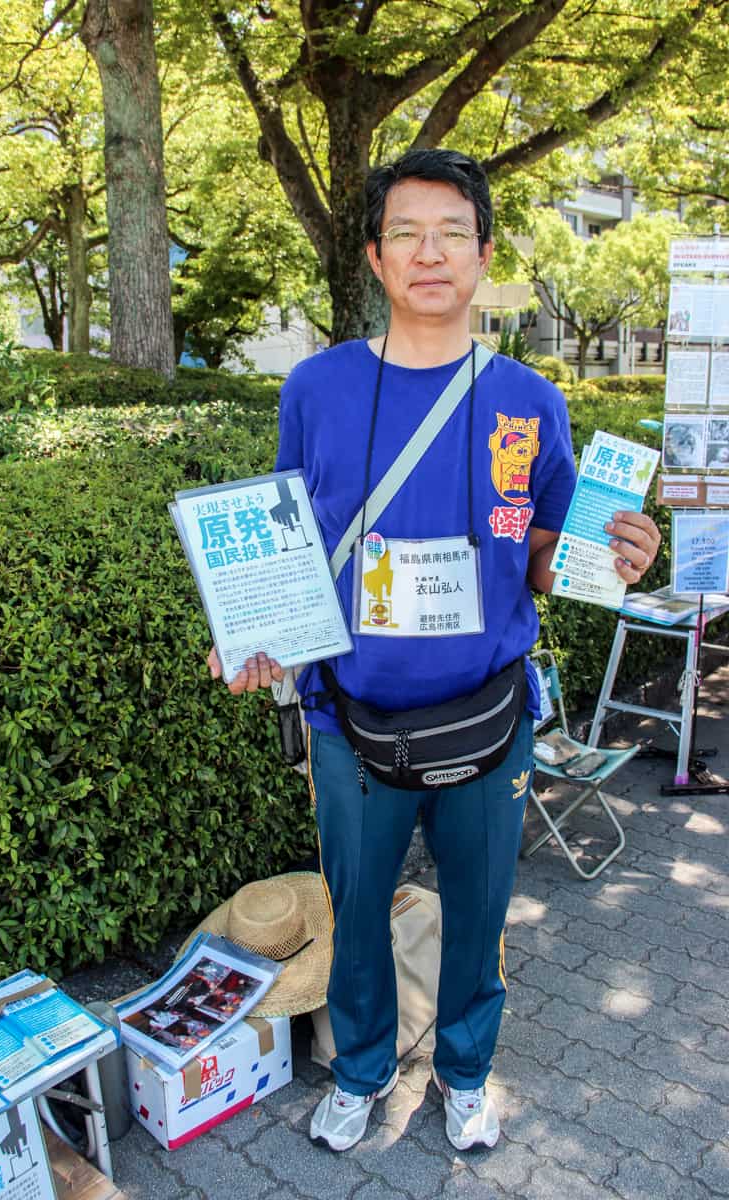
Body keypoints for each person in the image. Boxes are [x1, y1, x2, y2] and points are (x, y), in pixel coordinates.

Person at [208, 149, 660, 1154]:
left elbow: (548, 558)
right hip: (345, 717)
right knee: (356, 917)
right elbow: (290, 543)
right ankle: (361, 1069)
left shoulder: (530, 401)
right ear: (373, 257)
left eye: (451, 233)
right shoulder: (316, 389)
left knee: (477, 920)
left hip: (488, 716)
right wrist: (254, 636)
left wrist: (611, 553)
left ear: (483, 254)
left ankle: (464, 1071)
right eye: (405, 232)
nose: (429, 253)